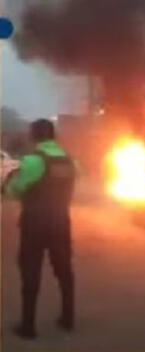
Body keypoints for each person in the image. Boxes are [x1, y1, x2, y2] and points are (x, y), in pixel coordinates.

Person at [6, 119, 77, 339]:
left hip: (34, 223)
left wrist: (12, 185)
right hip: (61, 222)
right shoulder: (72, 162)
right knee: (64, 269)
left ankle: (28, 326)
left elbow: (15, 190)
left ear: (34, 135)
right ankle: (68, 318)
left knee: (30, 271)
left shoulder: (32, 161)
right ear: (53, 136)